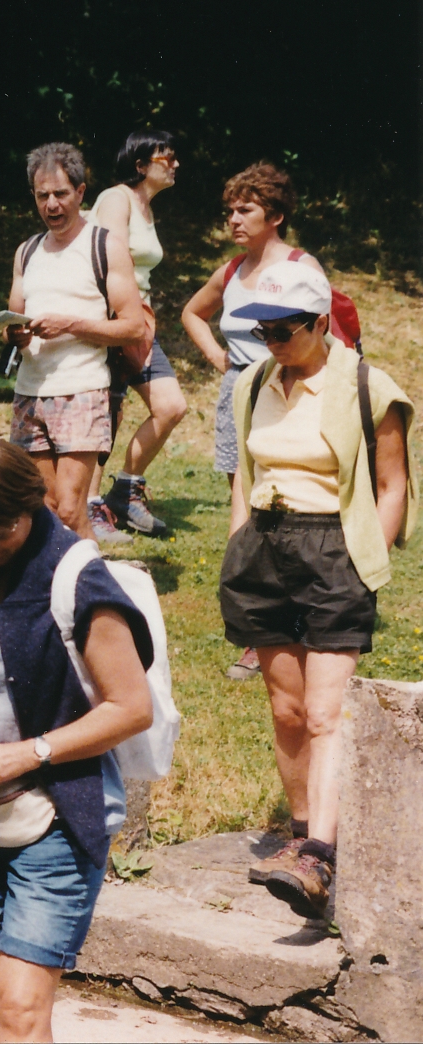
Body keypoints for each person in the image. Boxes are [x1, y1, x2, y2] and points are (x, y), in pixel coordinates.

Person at [0, 436, 154, 1042]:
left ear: (35, 502)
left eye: (0, 531)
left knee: (21, 1008)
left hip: (58, 817)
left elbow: (131, 709)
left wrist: (31, 751)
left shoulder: (76, 578)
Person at [219, 262, 413, 920]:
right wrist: (239, 539)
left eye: (283, 329)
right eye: (261, 329)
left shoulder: (366, 386)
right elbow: (246, 472)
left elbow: (393, 487)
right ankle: (302, 839)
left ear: (320, 322)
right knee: (288, 712)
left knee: (327, 714)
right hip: (265, 551)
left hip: (335, 549)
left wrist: (363, 565)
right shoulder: (253, 382)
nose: (270, 339)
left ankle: (320, 858)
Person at [181, 163, 327, 680]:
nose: (234, 220)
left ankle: (303, 618)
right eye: (229, 211)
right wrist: (224, 363)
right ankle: (258, 629)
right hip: (239, 394)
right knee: (247, 512)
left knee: (289, 506)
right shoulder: (231, 270)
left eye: (245, 210)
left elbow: (326, 336)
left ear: (277, 215)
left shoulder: (299, 265)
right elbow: (192, 313)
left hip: (287, 393)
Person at [4, 143, 144, 538]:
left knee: (69, 507)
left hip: (82, 390)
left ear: (81, 193)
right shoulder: (27, 251)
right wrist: (10, 333)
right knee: (43, 508)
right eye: (42, 195)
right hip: (29, 391)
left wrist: (71, 325)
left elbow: (133, 327)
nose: (51, 205)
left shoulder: (105, 246)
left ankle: (93, 595)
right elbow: (14, 320)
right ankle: (55, 595)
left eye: (61, 194)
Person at [87, 131, 187, 542]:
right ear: (141, 165)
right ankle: (89, 508)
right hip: (112, 317)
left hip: (139, 320)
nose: (176, 164)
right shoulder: (116, 198)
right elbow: (108, 259)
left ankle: (125, 490)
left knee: (170, 405)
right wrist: (122, 321)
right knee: (106, 412)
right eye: (168, 157)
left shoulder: (145, 207)